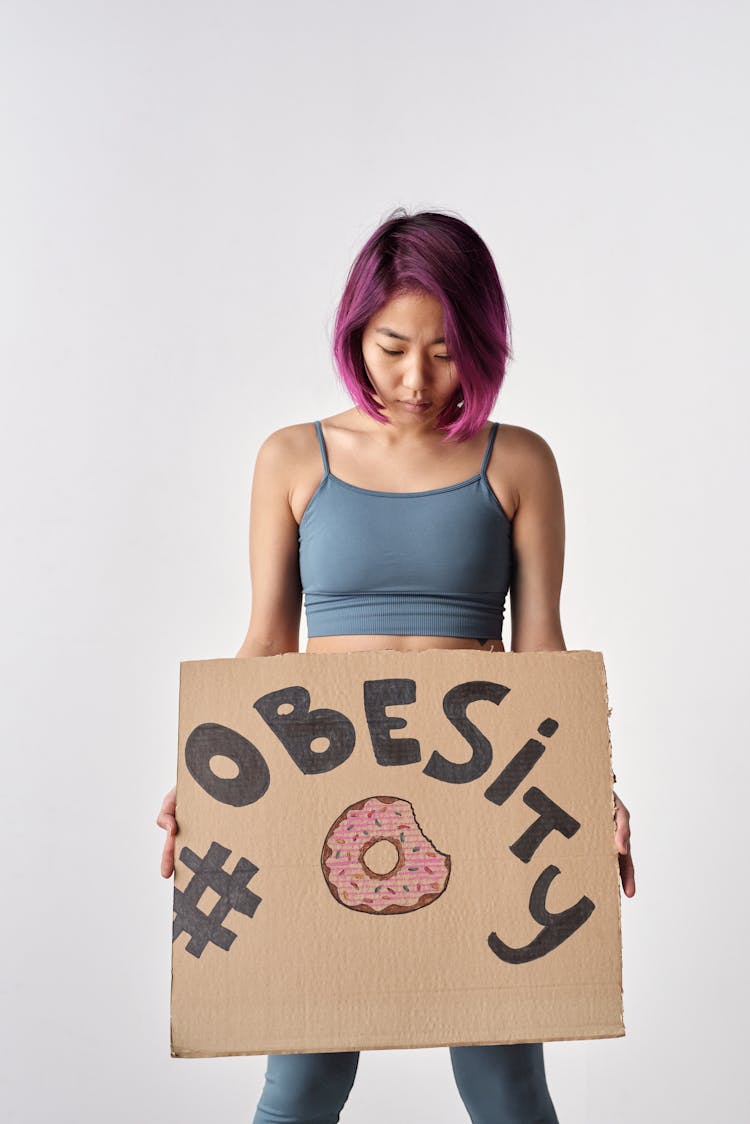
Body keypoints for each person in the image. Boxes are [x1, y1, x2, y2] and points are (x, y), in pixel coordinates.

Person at [156, 208, 636, 1123]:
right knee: (303, 1079)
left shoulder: (519, 460)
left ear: (485, 342)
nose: (417, 379)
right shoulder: (293, 458)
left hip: (477, 793)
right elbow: (264, 645)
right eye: (392, 348)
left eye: (449, 351)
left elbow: (543, 651)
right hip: (318, 784)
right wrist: (202, 783)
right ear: (354, 336)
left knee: (503, 1080)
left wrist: (592, 792)